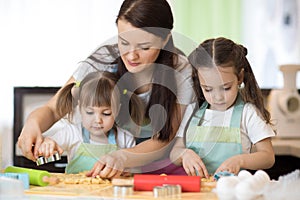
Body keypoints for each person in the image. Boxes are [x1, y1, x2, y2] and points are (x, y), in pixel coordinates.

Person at [18, 0, 195, 178]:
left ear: (165, 39)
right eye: (123, 42)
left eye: (144, 47)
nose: (131, 55)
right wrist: (32, 125)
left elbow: (163, 139)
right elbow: (52, 109)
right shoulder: (102, 60)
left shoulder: (180, 70)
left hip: (157, 165)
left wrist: (122, 157)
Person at [170, 37, 276, 178]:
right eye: (208, 89)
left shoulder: (248, 113)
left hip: (231, 191)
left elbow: (268, 157)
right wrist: (184, 154)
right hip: (197, 192)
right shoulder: (193, 112)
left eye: (225, 88)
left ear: (239, 77)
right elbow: (174, 152)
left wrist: (239, 160)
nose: (217, 97)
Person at [37, 71, 143, 174]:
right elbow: (51, 145)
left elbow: (133, 171)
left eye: (106, 113)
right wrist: (48, 144)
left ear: (117, 110)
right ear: (80, 108)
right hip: (75, 191)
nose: (97, 120)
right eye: (90, 112)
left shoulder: (125, 138)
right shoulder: (71, 133)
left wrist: (127, 171)